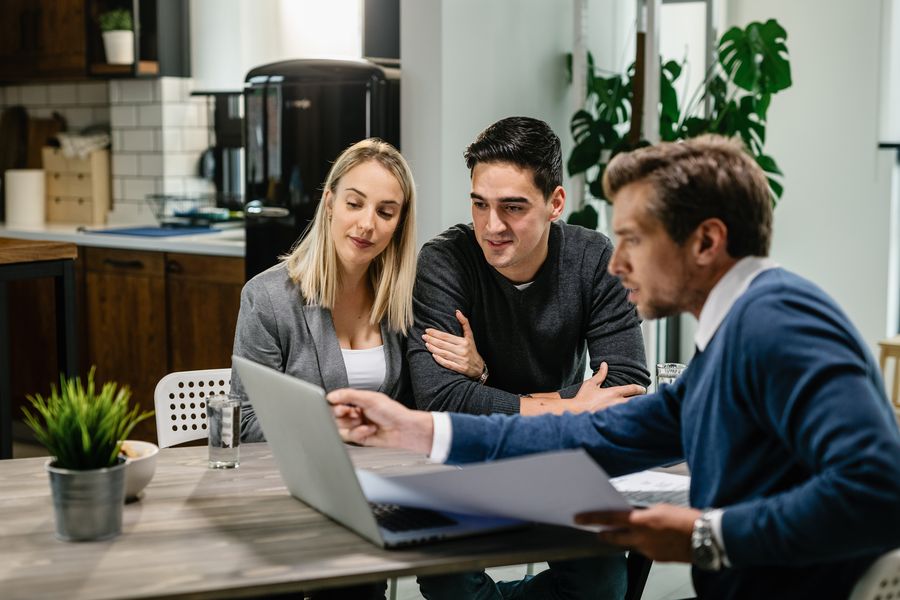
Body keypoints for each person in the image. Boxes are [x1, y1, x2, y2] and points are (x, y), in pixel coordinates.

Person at [329, 135, 900, 600]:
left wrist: (706, 536)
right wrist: (415, 428)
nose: (617, 262)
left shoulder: (779, 320)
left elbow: (878, 488)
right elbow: (600, 431)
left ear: (706, 242)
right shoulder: (732, 332)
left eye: (633, 239)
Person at [410, 117, 650, 599]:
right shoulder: (445, 260)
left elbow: (625, 385)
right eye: (480, 204)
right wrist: (567, 407)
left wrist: (482, 383)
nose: (491, 226)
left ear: (555, 204)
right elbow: (438, 397)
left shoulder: (594, 259)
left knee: (603, 583)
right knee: (448, 581)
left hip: (558, 456)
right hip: (465, 459)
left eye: (512, 208)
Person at [230, 138, 474, 599]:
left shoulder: (404, 302)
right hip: (287, 499)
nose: (367, 224)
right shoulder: (267, 299)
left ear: (399, 223)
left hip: (373, 499)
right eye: (355, 203)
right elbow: (245, 419)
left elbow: (426, 398)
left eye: (386, 211)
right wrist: (338, 425)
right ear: (329, 203)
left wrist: (475, 368)